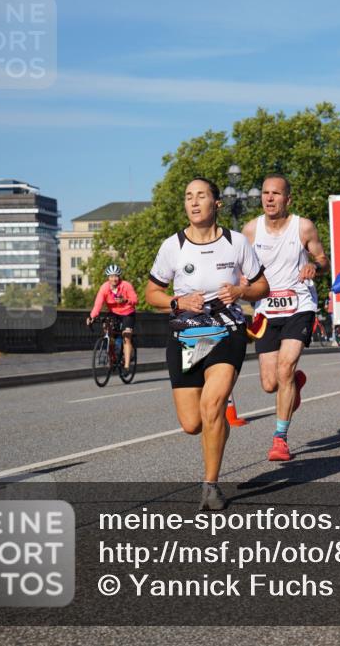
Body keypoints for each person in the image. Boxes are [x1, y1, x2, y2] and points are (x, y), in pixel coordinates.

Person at [146, 177, 269, 510]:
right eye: (188, 197)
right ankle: (216, 433)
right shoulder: (172, 246)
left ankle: (210, 485)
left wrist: (241, 291)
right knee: (192, 424)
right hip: (186, 336)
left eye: (201, 196)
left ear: (216, 203)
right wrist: (177, 302)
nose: (194, 202)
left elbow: (262, 287)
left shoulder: (236, 242)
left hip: (226, 332)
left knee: (213, 405)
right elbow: (151, 292)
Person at [241, 174, 328, 463]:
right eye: (265, 193)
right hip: (266, 310)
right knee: (270, 383)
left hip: (299, 306)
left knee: (286, 366)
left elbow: (323, 259)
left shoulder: (303, 227)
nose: (269, 198)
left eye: (276, 193)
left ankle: (280, 438)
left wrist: (314, 267)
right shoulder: (251, 230)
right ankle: (295, 384)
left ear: (287, 199)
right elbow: (240, 268)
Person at [86, 264, 138, 371]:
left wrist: (125, 300)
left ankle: (127, 365)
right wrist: (91, 317)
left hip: (128, 313)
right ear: (108, 277)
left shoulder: (126, 285)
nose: (114, 279)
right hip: (114, 313)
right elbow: (98, 304)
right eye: (111, 276)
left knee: (126, 336)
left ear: (119, 277)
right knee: (107, 329)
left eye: (116, 276)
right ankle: (113, 357)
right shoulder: (104, 288)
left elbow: (135, 300)